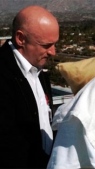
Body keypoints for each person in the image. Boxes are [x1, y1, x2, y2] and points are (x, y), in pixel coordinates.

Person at [0, 5, 59, 168]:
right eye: (46, 45)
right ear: (21, 39)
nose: (53, 52)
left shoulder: (39, 71)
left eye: (55, 44)